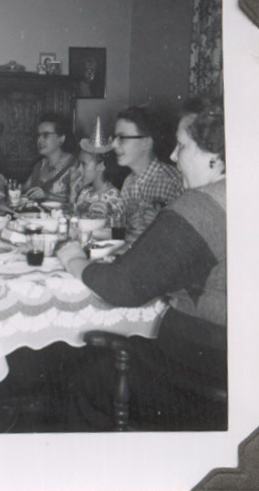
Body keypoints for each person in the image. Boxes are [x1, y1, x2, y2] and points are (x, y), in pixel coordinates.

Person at [57, 97, 226, 431]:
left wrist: (75, 261)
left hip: (198, 368)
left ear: (215, 156)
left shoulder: (202, 206)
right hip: (240, 368)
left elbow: (124, 287)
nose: (174, 156)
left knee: (82, 383)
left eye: (182, 146)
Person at [112, 106, 183, 242]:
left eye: (122, 138)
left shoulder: (174, 180)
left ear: (145, 142)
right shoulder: (128, 182)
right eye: (115, 138)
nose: (114, 144)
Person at [0, 114, 82, 203]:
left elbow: (80, 201)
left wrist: (48, 195)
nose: (39, 140)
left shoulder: (74, 165)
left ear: (61, 139)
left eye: (45, 135)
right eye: (38, 135)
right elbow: (23, 190)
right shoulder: (40, 165)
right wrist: (5, 185)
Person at [71, 136, 124, 217]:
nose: (79, 170)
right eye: (79, 164)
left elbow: (117, 223)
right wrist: (73, 195)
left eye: (84, 165)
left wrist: (108, 214)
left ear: (101, 166)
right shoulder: (85, 193)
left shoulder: (113, 196)